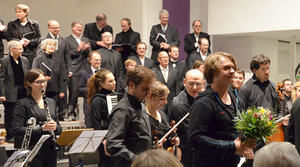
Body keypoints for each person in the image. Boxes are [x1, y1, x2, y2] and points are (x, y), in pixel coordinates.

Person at [188, 52, 255, 167]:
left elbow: (234, 132)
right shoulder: (204, 102)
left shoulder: (236, 100)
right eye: (226, 68)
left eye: (233, 67)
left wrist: (246, 141)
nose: (232, 71)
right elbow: (195, 139)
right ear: (213, 72)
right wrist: (232, 146)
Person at [106, 65, 156, 167]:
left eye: (150, 89)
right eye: (145, 89)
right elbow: (113, 144)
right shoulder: (123, 110)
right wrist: (138, 161)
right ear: (131, 85)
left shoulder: (141, 105)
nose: (148, 93)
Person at [13, 69, 61, 167]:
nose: (42, 85)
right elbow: (17, 130)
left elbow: (59, 127)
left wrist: (56, 127)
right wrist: (41, 129)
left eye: (44, 81)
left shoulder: (51, 102)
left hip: (51, 149)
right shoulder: (23, 104)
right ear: (29, 84)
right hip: (33, 150)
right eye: (38, 82)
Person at [169, 69, 205, 167]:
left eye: (198, 84)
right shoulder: (179, 105)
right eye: (191, 84)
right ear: (184, 82)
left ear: (203, 83)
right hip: (187, 153)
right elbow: (193, 131)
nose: (194, 87)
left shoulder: (202, 97)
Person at [37, 20, 70, 118]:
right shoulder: (43, 39)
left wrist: (69, 69)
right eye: (54, 28)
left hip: (58, 71)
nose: (57, 30)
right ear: (49, 28)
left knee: (58, 100)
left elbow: (67, 55)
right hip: (46, 76)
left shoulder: (63, 40)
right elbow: (39, 56)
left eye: (58, 28)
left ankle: (59, 116)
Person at [0, 40, 30, 143]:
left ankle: (22, 135)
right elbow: (1, 79)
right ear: (11, 49)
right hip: (10, 92)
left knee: (23, 113)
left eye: (22, 48)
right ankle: (10, 135)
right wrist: (2, 94)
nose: (21, 50)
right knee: (10, 114)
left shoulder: (25, 60)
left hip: (23, 91)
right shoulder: (4, 61)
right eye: (19, 49)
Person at [32, 38, 66, 120]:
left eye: (54, 45)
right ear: (44, 47)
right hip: (42, 88)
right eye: (50, 45)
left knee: (53, 109)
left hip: (55, 89)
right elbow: (34, 73)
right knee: (42, 108)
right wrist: (43, 78)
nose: (52, 47)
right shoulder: (38, 59)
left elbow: (62, 76)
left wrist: (62, 90)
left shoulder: (59, 60)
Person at [145, 81, 180, 157]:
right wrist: (154, 148)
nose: (166, 102)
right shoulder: (143, 118)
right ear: (150, 96)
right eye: (162, 99)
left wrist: (173, 140)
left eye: (166, 98)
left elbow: (168, 137)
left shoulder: (162, 114)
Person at [65, 21, 90, 120]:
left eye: (81, 27)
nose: (80, 28)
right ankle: (71, 112)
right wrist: (78, 49)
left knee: (87, 91)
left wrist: (87, 49)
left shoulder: (85, 39)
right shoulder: (67, 40)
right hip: (74, 69)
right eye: (78, 27)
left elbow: (90, 54)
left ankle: (86, 113)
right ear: (72, 28)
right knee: (73, 92)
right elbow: (67, 55)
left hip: (85, 69)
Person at [78, 51, 101, 128]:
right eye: (96, 60)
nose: (98, 62)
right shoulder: (84, 73)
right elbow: (80, 89)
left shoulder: (104, 72)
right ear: (90, 61)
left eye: (99, 60)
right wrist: (93, 89)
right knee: (90, 128)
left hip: (102, 105)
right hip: (89, 104)